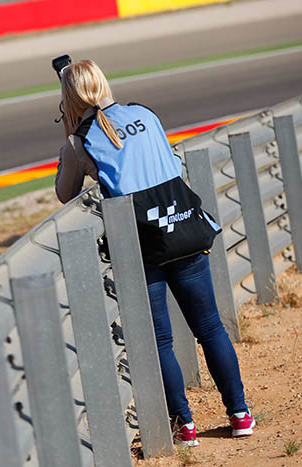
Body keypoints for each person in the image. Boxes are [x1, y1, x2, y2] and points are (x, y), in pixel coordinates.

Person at [54, 59, 254, 446]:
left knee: (160, 339)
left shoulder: (80, 139)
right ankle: (240, 414)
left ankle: (185, 425)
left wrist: (69, 141)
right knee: (210, 327)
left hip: (140, 241)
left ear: (69, 98)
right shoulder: (144, 113)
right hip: (183, 226)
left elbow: (66, 193)